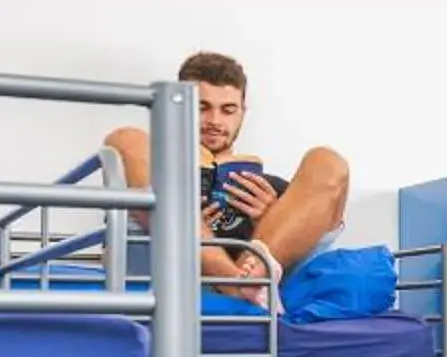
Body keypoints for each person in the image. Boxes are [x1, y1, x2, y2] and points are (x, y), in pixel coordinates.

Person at [103, 50, 351, 290]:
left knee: (326, 162)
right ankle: (237, 286)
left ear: (243, 112)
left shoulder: (270, 189)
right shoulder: (144, 166)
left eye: (228, 110)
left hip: (263, 279)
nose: (215, 121)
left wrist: (273, 221)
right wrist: (187, 219)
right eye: (202, 107)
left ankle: (249, 281)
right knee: (126, 138)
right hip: (171, 281)